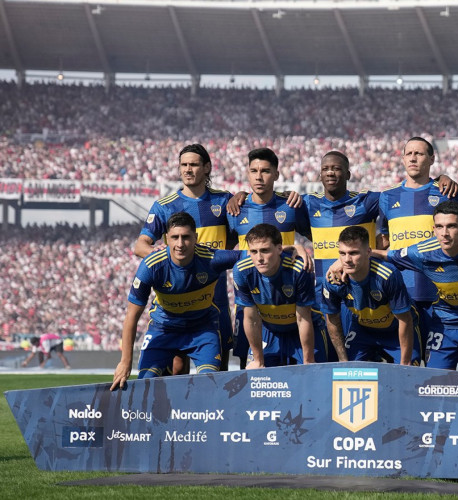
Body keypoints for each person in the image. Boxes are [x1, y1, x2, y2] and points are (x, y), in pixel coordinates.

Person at [372, 200, 458, 375]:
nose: (445, 233)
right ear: (433, 230)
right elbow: (385, 255)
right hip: (445, 324)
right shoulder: (423, 253)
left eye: (451, 226)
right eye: (440, 227)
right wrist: (340, 262)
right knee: (436, 387)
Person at [111, 212, 242, 390]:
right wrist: (125, 362)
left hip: (202, 330)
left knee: (208, 384)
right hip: (163, 329)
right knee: (144, 383)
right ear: (166, 239)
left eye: (186, 237)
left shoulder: (211, 258)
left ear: (195, 238)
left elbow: (253, 256)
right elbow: (131, 317)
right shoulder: (151, 266)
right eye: (175, 237)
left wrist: (287, 250)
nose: (180, 244)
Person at [134, 144, 235, 373]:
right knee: (178, 369)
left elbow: (242, 238)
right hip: (177, 298)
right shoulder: (164, 206)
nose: (188, 170)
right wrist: (164, 256)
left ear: (207, 168)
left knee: (220, 371)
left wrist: (241, 196)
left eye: (194, 165)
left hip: (215, 300)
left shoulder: (224, 201)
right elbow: (140, 245)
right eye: (184, 165)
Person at [377, 137, 458, 355]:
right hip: (400, 293)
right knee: (408, 362)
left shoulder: (446, 192)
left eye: (418, 153)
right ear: (402, 159)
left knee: (437, 368)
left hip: (439, 292)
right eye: (409, 154)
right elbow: (384, 240)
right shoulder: (387, 197)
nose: (413, 158)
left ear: (431, 159)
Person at [228, 147, 313, 368]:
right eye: (253, 170)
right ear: (247, 173)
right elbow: (225, 249)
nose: (259, 176)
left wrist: (300, 249)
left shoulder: (292, 205)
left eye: (265, 171)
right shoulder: (236, 209)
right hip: (253, 299)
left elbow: (317, 237)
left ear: (276, 174)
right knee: (252, 370)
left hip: (290, 297)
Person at [321, 226, 422, 365]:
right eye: (342, 253)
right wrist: (343, 360)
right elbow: (332, 319)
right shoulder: (332, 281)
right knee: (347, 373)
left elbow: (405, 320)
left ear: (368, 252)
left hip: (395, 331)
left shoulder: (387, 275)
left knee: (409, 375)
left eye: (353, 253)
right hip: (363, 331)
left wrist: (405, 365)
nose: (347, 260)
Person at [232, 224, 328, 368]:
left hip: (302, 329)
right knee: (259, 381)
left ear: (279, 249)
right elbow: (251, 319)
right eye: (254, 251)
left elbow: (302, 319)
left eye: (265, 250)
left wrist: (308, 361)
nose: (259, 258)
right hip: (270, 331)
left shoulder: (299, 269)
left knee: (312, 379)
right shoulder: (242, 271)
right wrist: (258, 360)